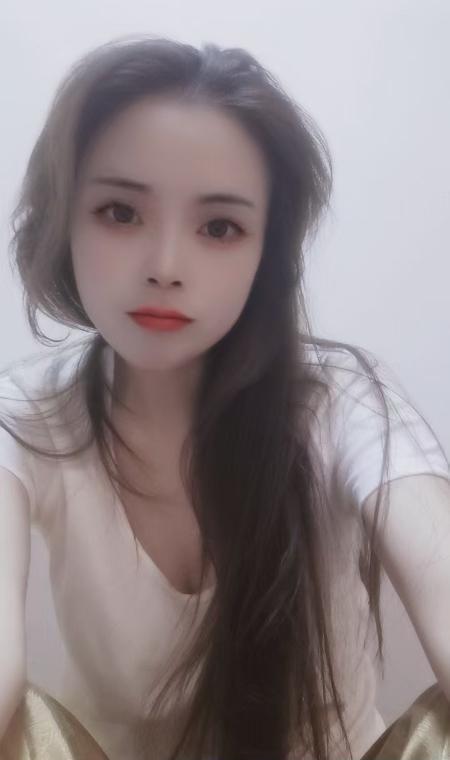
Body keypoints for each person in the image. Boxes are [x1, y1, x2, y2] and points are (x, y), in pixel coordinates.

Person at [0, 34, 449, 760]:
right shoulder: (26, 417)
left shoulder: (344, 402)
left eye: (219, 227)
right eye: (120, 212)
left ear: (266, 254)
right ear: (64, 222)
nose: (165, 266)